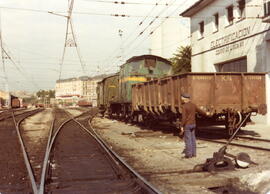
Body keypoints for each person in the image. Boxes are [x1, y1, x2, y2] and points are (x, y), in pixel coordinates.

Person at [180, 93, 210, 158]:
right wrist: (206, 113)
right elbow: (200, 111)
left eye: (182, 97)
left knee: (188, 140)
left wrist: (182, 126)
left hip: (187, 125)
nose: (181, 98)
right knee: (193, 139)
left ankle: (189, 155)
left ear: (185, 98)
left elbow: (184, 118)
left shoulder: (184, 106)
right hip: (193, 124)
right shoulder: (193, 105)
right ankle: (194, 154)